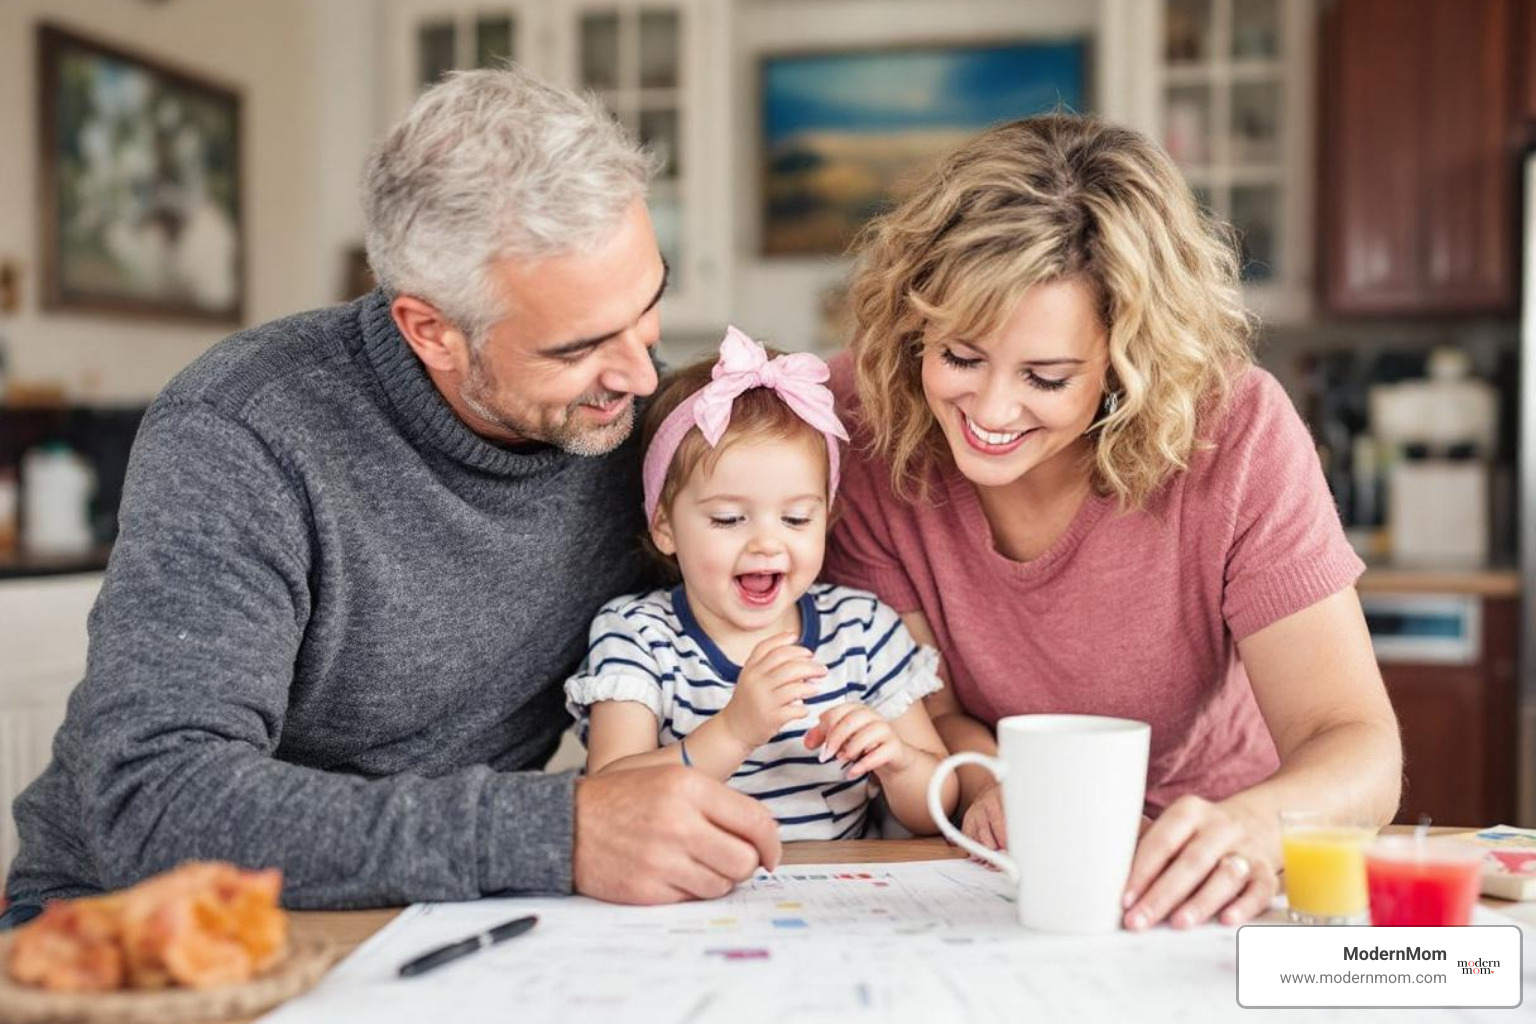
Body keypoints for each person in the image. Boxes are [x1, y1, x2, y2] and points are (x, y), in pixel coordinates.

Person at [3, 67, 781, 926]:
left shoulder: (648, 432)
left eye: (649, 302)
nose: (638, 373)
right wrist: (556, 833)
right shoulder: (243, 429)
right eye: (577, 348)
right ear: (431, 331)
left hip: (436, 911)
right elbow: (154, 803)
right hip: (141, 926)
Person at [823, 114, 1401, 930]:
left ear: (1129, 364)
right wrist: (1003, 790)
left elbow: (1356, 743)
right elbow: (933, 712)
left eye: (1047, 377)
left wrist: (1253, 827)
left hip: (1208, 868)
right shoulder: (863, 418)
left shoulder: (1236, 432)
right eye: (959, 357)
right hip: (993, 863)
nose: (991, 411)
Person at [565, 328, 957, 840]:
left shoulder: (862, 630)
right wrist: (734, 731)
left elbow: (938, 808)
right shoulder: (638, 635)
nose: (767, 544)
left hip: (842, 884)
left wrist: (898, 763)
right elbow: (609, 794)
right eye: (729, 519)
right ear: (664, 526)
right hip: (690, 880)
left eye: (796, 519)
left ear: (827, 517)